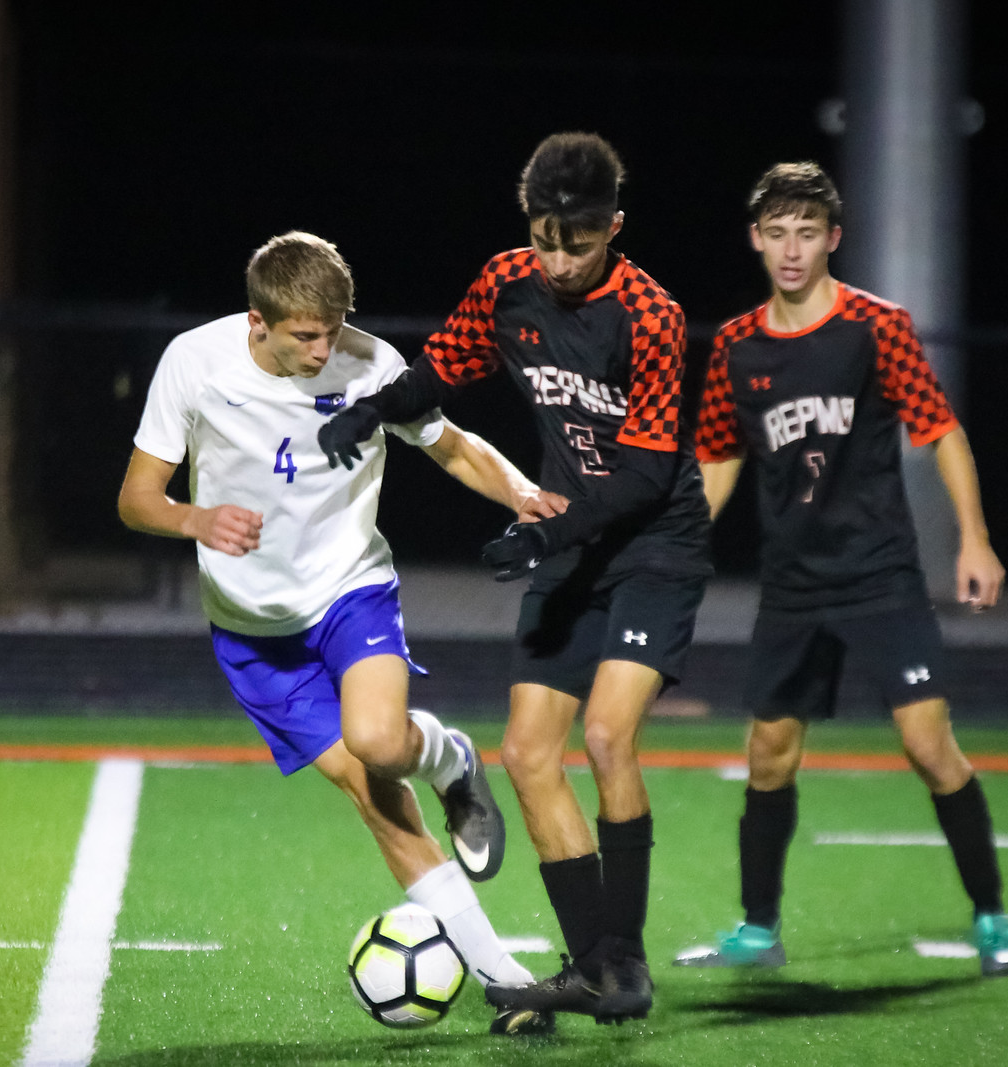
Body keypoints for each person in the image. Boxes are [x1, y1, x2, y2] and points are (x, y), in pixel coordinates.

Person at [118, 231, 557, 1034]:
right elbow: (137, 496)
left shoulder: (372, 365)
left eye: (335, 328)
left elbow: (452, 446)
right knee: (373, 794)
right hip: (252, 634)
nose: (326, 348)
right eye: (306, 335)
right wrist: (197, 517)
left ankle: (448, 755)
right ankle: (508, 980)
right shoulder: (194, 362)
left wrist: (525, 493)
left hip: (349, 590)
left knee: (382, 742)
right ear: (259, 322)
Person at [319, 133, 713, 1025]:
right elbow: (444, 367)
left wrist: (543, 536)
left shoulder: (651, 315)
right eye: (546, 239)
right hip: (566, 538)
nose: (562, 260)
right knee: (530, 753)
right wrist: (374, 412)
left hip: (655, 544)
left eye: (580, 242)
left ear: (615, 227)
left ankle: (626, 966)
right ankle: (591, 967)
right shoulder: (506, 281)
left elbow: (648, 473)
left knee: (609, 737)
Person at [676, 161, 1008, 977]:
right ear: (755, 240)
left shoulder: (876, 326)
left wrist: (975, 539)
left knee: (929, 744)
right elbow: (719, 454)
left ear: (833, 238)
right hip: (792, 584)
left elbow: (941, 430)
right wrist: (683, 542)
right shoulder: (735, 344)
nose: (791, 249)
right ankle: (758, 929)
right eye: (776, 233)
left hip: (879, 576)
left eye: (807, 233)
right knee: (768, 752)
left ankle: (991, 914)